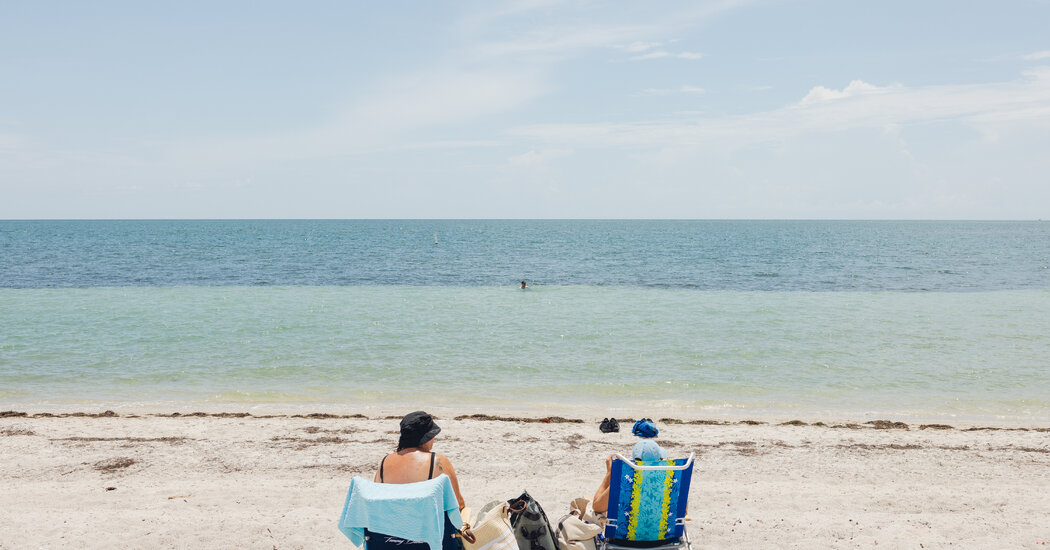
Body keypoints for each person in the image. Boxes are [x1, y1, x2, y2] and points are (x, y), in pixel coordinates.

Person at [374, 410, 466, 510]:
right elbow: (458, 503)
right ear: (427, 437)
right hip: (427, 524)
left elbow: (377, 498)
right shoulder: (437, 461)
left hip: (390, 523)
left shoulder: (385, 462)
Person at [592, 419, 667, 515]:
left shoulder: (625, 479)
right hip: (663, 529)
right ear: (659, 459)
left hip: (627, 529)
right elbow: (683, 511)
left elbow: (596, 507)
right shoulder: (670, 478)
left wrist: (609, 474)